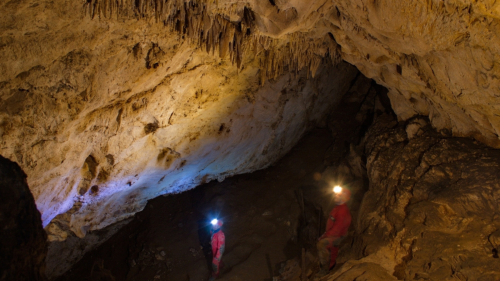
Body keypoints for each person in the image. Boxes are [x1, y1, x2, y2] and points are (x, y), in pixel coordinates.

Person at [316, 186, 351, 275]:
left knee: (321, 245)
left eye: (337, 195)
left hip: (337, 235)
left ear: (343, 198)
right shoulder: (338, 207)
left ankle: (325, 270)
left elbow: (336, 230)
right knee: (332, 249)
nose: (335, 196)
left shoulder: (342, 211)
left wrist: (324, 236)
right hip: (335, 234)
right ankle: (331, 265)